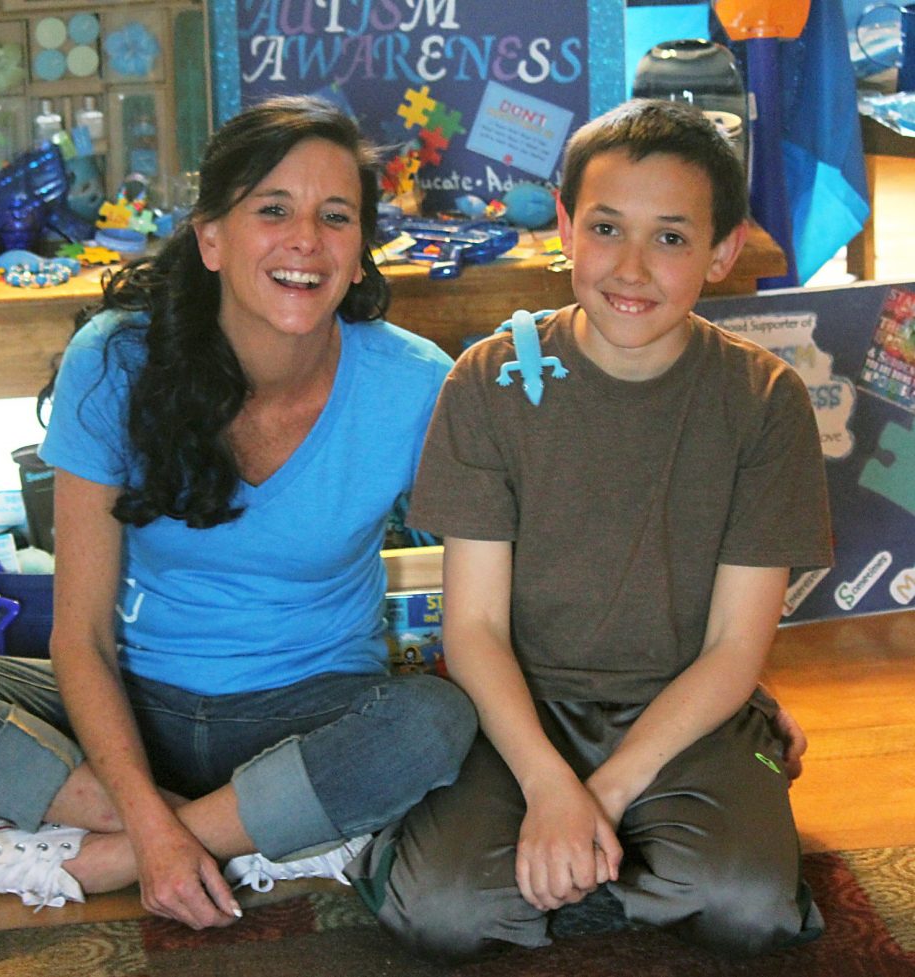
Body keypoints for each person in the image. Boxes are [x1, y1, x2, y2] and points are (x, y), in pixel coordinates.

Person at [0, 96, 477, 930]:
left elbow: (487, 577)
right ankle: (261, 834)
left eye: (336, 216)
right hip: (134, 712)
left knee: (433, 722)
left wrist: (145, 845)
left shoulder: (416, 383)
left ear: (358, 256)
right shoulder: (114, 358)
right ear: (211, 238)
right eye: (272, 210)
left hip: (311, 712)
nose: (305, 240)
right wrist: (147, 816)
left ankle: (98, 855)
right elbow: (81, 637)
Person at [346, 99, 833, 961]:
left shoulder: (764, 401)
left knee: (749, 908)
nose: (632, 268)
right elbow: (475, 626)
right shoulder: (489, 380)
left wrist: (596, 797)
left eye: (672, 237)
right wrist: (547, 784)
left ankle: (605, 854)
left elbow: (733, 646)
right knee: (439, 914)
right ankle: (595, 866)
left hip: (687, 710)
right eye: (607, 228)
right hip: (513, 710)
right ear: (566, 226)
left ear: (723, 251)